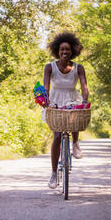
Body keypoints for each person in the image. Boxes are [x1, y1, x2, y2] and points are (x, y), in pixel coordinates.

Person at [43, 32, 89, 189]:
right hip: (55, 100)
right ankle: (54, 173)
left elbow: (83, 86)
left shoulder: (78, 68)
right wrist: (46, 102)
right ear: (57, 50)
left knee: (75, 118)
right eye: (62, 50)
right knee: (56, 136)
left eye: (67, 50)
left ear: (73, 51)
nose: (64, 52)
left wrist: (85, 100)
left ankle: (75, 143)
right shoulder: (50, 67)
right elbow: (46, 87)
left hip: (72, 99)